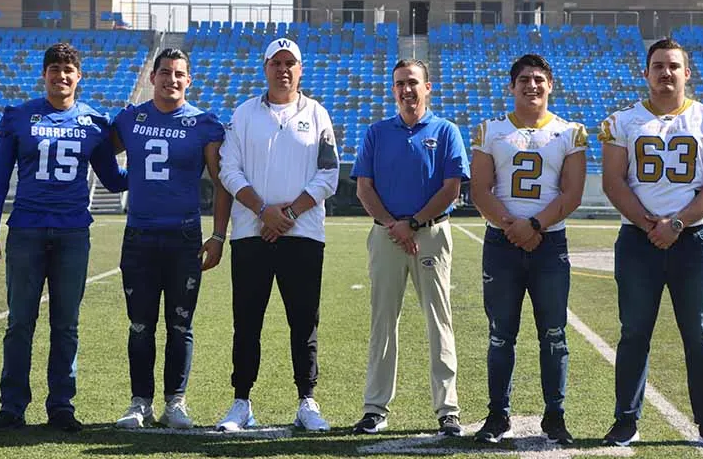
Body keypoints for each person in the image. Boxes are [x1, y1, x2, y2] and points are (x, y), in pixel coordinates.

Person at [0, 42, 127, 433]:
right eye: (54, 69)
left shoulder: (94, 122)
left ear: (79, 77)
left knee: (66, 324)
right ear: (43, 75)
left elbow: (113, 180)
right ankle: (12, 406)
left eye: (68, 70)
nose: (61, 76)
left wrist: (154, 172)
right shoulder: (19, 117)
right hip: (26, 231)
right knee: (20, 323)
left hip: (72, 232)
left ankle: (61, 405)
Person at [599, 38, 703, 450]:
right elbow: (613, 181)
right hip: (639, 239)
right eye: (658, 66)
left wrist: (676, 224)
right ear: (646, 73)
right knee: (634, 332)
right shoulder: (621, 122)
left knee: (698, 333)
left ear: (686, 73)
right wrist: (650, 225)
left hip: (693, 239)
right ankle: (626, 420)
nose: (666, 73)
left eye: (674, 66)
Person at [216, 38, 338, 432]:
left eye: (291, 63)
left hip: (302, 234)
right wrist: (263, 211)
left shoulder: (317, 114)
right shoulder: (244, 113)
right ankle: (241, 402)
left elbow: (329, 174)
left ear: (301, 70)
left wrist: (287, 212)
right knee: (247, 321)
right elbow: (229, 171)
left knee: (304, 322)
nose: (283, 69)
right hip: (251, 233)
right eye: (276, 63)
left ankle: (307, 400)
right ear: (265, 68)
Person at [110, 48, 233, 430]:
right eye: (165, 73)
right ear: (153, 77)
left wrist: (217, 235)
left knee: (181, 324)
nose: (171, 80)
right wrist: (117, 182)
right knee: (140, 324)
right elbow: (98, 152)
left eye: (179, 74)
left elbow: (221, 182)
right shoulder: (131, 118)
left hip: (183, 236)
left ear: (188, 80)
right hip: (140, 234)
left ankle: (175, 402)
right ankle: (140, 402)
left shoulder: (204, 124)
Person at [469, 54, 587, 445]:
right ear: (511, 86)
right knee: (501, 334)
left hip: (549, 243)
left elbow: (572, 193)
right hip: (502, 242)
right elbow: (480, 190)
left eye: (538, 79)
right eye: (523, 79)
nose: (531, 85)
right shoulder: (491, 131)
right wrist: (513, 226)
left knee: (554, 334)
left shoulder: (570, 133)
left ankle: (555, 416)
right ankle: (497, 415)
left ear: (550, 85)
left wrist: (534, 225)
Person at [350, 59, 470, 437]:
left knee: (439, 321)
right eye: (400, 83)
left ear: (428, 87)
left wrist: (413, 223)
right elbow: (363, 188)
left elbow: (452, 188)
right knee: (382, 321)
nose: (407, 89)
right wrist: (393, 225)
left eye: (413, 82)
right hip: (386, 235)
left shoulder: (446, 131)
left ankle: (447, 409)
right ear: (393, 89)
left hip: (431, 234)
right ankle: (375, 407)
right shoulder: (376, 132)